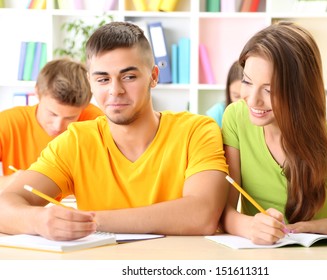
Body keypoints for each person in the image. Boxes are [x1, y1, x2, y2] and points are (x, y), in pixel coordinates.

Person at [0, 22, 229, 241]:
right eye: (103, 79)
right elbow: (5, 206)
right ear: (91, 83)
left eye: (129, 77)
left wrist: (91, 220)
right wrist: (38, 220)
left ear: (154, 76)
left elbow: (202, 215)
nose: (115, 90)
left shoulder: (197, 131)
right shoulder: (76, 141)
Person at [221, 21, 327, 245]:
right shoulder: (236, 118)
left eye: (269, 90)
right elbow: (224, 212)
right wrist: (248, 226)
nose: (252, 100)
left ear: (300, 92)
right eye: (247, 82)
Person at [0, 58, 103, 191]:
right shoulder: (8, 122)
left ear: (86, 105)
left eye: (70, 117)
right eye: (52, 114)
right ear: (37, 92)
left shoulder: (96, 122)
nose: (58, 126)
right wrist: (12, 180)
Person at [206, 61, 243, 127]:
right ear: (228, 92)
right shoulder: (217, 113)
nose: (241, 102)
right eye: (236, 96)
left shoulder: (258, 116)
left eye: (246, 97)